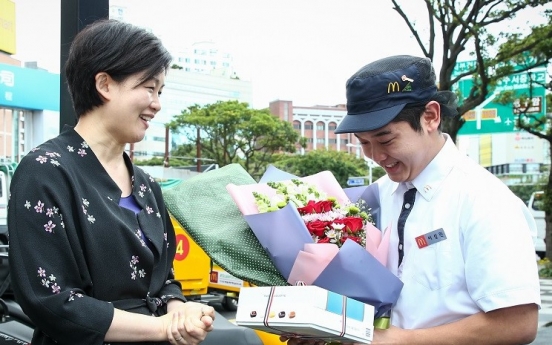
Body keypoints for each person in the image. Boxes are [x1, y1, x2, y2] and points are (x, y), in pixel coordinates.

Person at [284, 55, 541, 345]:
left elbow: (518, 322)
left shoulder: (484, 199)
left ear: (430, 116)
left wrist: (404, 340)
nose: (376, 156)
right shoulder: (374, 197)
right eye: (364, 143)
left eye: (386, 140)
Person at [7, 19, 214, 345]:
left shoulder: (146, 185)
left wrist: (179, 311)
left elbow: (163, 280)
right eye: (148, 87)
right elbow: (51, 299)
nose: (157, 103)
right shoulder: (45, 172)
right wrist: (161, 328)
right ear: (104, 85)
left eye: (160, 91)